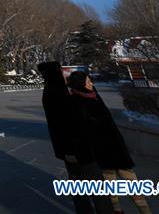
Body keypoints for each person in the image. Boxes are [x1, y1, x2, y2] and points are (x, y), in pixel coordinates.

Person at [67, 71, 152, 214]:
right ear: (81, 84)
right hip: (102, 152)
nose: (91, 83)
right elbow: (81, 132)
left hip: (117, 150)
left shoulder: (93, 95)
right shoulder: (76, 102)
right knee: (111, 191)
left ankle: (145, 211)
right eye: (88, 81)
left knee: (133, 185)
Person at [38, 61, 113, 214]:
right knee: (95, 184)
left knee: (77, 183)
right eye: (60, 70)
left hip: (68, 148)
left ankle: (85, 210)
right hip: (78, 147)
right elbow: (65, 124)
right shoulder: (59, 93)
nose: (63, 73)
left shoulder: (51, 91)